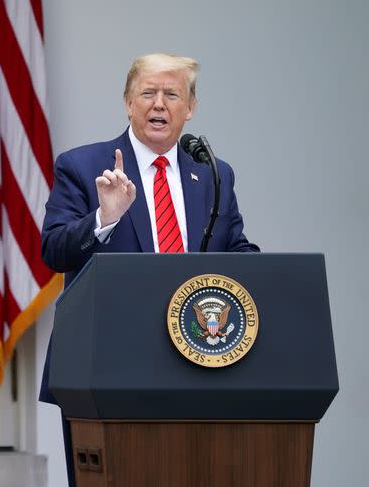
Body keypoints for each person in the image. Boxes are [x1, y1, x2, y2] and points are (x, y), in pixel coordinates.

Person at [39, 53, 259, 487]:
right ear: (127, 102)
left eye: (172, 94)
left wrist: (265, 275)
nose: (159, 104)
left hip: (200, 365)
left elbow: (234, 249)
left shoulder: (214, 175)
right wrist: (104, 218)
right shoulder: (84, 166)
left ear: (190, 107)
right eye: (148, 93)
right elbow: (54, 250)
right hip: (106, 369)